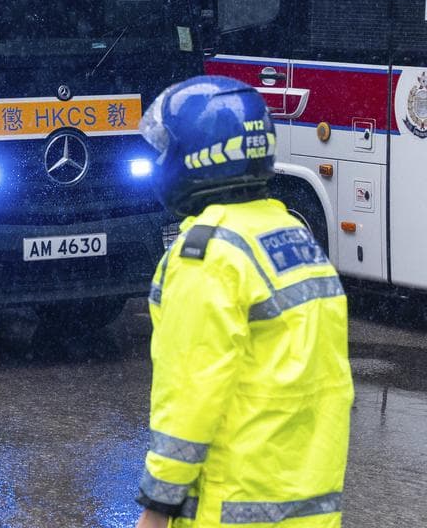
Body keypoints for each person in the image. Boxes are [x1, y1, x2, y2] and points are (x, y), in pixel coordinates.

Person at [133, 76, 352, 528]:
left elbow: (191, 396)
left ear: (195, 158)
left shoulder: (208, 255)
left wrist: (157, 504)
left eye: (164, 150)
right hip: (309, 512)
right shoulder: (293, 237)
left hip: (229, 508)